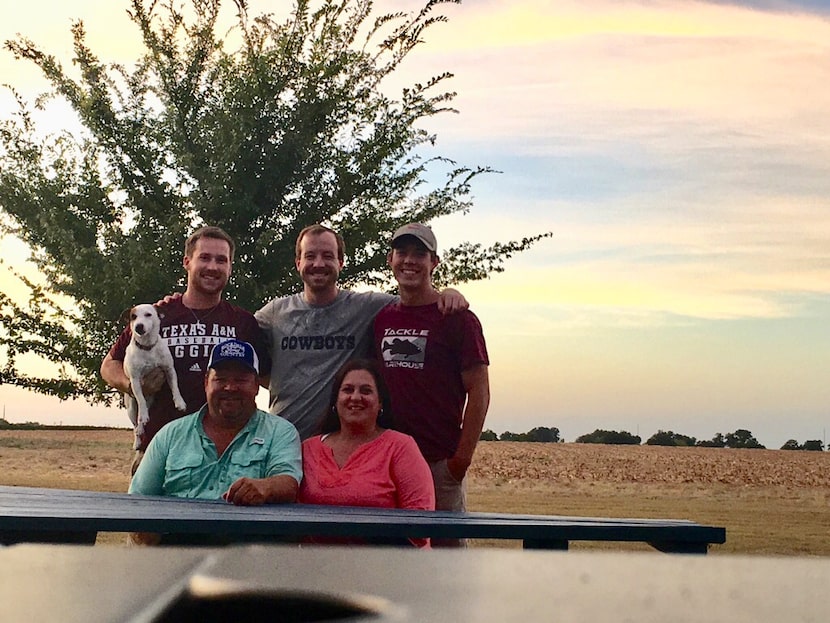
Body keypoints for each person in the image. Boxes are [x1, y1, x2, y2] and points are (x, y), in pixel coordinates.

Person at [255, 224, 467, 440]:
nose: (319, 263)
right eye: (310, 256)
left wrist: (448, 293)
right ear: (298, 263)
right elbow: (238, 341)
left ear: (341, 262)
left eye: (328, 256)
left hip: (343, 449)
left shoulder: (367, 307)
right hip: (284, 446)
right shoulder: (273, 314)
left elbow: (415, 302)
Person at [101, 226, 269, 473]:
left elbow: (266, 378)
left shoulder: (242, 322)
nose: (213, 266)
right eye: (205, 258)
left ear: (230, 267)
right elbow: (109, 365)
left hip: (227, 455)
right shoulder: (157, 314)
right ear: (187, 262)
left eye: (221, 260)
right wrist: (132, 385)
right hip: (158, 452)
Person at [373, 223, 490, 547]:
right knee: (393, 557)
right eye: (402, 252)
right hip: (389, 464)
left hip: (439, 463)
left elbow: (479, 391)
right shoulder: (383, 318)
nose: (409, 261)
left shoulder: (457, 319)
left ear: (434, 262)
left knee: (445, 565)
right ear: (390, 259)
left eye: (419, 254)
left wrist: (459, 462)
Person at [128, 339, 302, 545]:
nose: (230, 387)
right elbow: (138, 501)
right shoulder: (171, 434)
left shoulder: (281, 431)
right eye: (220, 379)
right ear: (206, 383)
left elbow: (288, 483)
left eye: (241, 379)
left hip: (251, 559)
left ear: (256, 386)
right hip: (178, 557)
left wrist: (265, 487)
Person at [298, 358, 434, 548]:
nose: (355, 397)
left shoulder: (401, 447)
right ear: (335, 401)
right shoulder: (308, 448)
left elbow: (421, 525)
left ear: (380, 403)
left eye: (366, 391)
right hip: (319, 567)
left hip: (388, 566)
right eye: (347, 390)